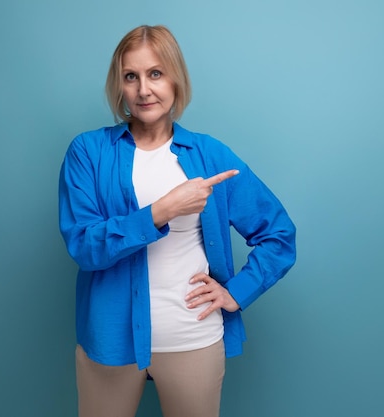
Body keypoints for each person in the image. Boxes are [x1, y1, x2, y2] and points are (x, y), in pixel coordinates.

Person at [59, 24, 296, 417]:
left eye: (155, 73)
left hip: (193, 338)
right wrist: (162, 211)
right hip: (109, 341)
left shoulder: (210, 156)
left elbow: (279, 235)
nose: (143, 89)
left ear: (175, 79)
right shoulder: (87, 152)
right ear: (119, 86)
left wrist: (235, 293)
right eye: (130, 76)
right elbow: (85, 247)